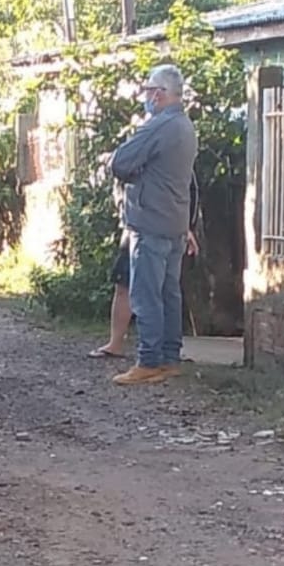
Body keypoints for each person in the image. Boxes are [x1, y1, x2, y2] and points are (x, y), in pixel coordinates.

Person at [106, 63, 197, 385]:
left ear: (159, 95)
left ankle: (148, 360)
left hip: (151, 221)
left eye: (148, 90)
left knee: (146, 295)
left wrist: (136, 174)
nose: (146, 96)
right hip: (174, 222)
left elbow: (121, 162)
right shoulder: (185, 126)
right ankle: (170, 357)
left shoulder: (159, 126)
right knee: (169, 293)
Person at [89, 173, 201, 362]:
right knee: (124, 283)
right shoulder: (138, 153)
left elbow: (190, 191)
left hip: (167, 229)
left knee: (165, 288)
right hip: (137, 227)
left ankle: (162, 351)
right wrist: (126, 217)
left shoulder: (176, 157)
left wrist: (187, 226)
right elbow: (121, 184)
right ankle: (116, 343)